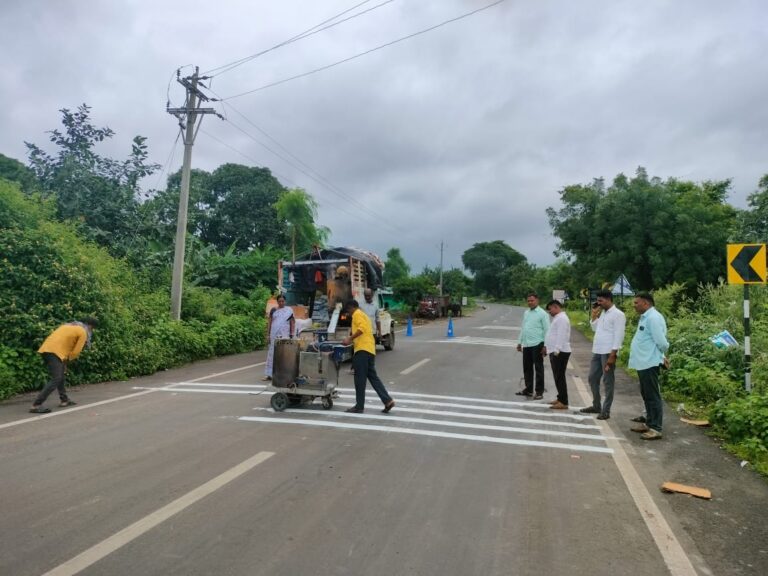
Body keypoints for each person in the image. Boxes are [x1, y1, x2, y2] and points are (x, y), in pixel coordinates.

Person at [29, 318, 98, 414]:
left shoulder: (68, 325)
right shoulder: (83, 331)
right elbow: (76, 352)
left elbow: (62, 343)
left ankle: (64, 400)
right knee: (56, 378)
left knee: (60, 376)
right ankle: (36, 405)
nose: (91, 331)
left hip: (46, 349)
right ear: (90, 326)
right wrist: (68, 361)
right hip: (55, 352)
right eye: (92, 329)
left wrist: (64, 363)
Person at [628, 292, 669, 440]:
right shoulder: (645, 317)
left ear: (646, 303)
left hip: (650, 362)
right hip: (643, 362)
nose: (634, 305)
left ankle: (656, 428)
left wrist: (662, 356)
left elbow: (662, 342)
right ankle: (649, 424)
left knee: (653, 396)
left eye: (636, 303)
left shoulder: (653, 318)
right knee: (646, 395)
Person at [342, 299, 395, 414]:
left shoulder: (357, 314)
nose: (348, 313)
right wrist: (351, 341)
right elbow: (365, 331)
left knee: (359, 380)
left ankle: (359, 406)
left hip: (362, 351)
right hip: (370, 350)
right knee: (373, 377)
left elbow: (361, 329)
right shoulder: (364, 315)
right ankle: (388, 400)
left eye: (348, 310)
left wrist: (349, 338)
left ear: (351, 307)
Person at [581, 289, 626, 420]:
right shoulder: (604, 313)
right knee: (592, 378)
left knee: (608, 381)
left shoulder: (618, 314)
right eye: (598, 300)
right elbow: (595, 329)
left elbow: (619, 335)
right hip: (597, 350)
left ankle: (606, 410)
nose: (598, 303)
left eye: (601, 301)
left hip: (608, 352)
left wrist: (613, 354)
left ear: (608, 299)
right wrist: (594, 315)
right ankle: (596, 405)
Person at [516, 292, 549, 400]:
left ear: (537, 301)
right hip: (527, 344)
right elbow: (523, 328)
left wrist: (545, 345)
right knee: (527, 368)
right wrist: (519, 342)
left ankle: (539, 392)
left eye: (532, 300)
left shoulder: (542, 313)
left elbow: (547, 330)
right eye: (528, 301)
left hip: (538, 343)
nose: (530, 302)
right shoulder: (526, 313)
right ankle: (529, 389)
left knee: (538, 368)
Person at [544, 300, 571, 409]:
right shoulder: (558, 318)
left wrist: (557, 350)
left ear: (555, 307)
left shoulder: (562, 319)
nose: (549, 312)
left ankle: (563, 402)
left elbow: (561, 335)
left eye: (550, 309)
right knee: (557, 376)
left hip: (560, 352)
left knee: (560, 377)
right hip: (556, 351)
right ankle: (560, 398)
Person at [263, 294, 295, 381]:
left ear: (285, 301)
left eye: (283, 301)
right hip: (274, 335)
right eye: (279, 301)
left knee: (283, 355)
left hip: (284, 335)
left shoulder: (289, 310)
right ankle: (269, 374)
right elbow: (270, 322)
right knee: (272, 354)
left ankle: (281, 374)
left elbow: (292, 323)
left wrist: (292, 334)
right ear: (277, 302)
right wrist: (268, 334)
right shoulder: (273, 310)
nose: (281, 303)